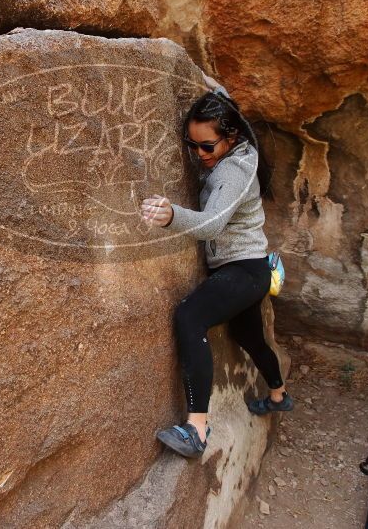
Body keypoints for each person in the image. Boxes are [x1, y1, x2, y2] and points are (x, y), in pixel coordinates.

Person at [139, 72, 293, 459]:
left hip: (241, 270)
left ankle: (197, 430)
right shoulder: (244, 142)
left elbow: (212, 223)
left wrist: (171, 214)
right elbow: (232, 109)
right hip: (253, 269)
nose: (199, 155)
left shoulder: (233, 170)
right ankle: (278, 395)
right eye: (191, 145)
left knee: (190, 317)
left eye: (206, 147)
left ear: (231, 137)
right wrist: (212, 84)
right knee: (250, 338)